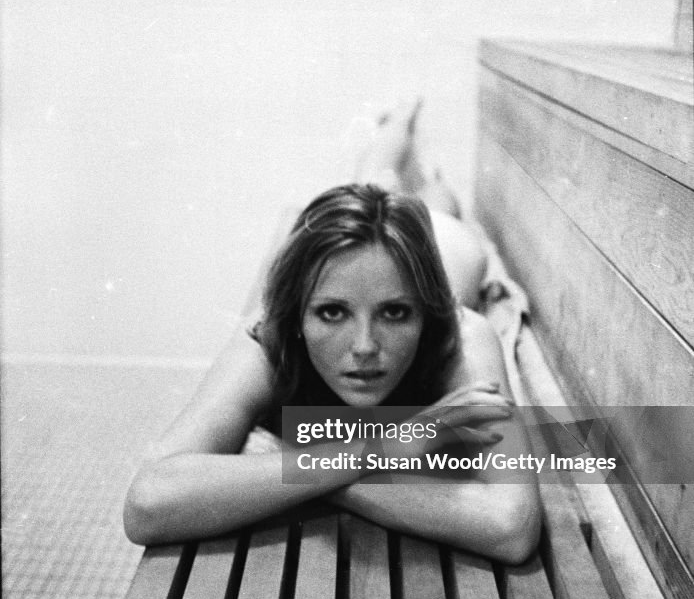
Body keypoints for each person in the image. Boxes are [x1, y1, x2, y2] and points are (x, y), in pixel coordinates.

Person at [124, 167, 541, 565]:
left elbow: (512, 527)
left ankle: (429, 177)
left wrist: (295, 461)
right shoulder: (268, 338)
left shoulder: (462, 336)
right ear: (298, 317)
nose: (364, 347)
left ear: (426, 314)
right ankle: (393, 136)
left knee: (438, 203)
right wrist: (381, 449)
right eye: (332, 313)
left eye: (395, 312)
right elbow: (147, 503)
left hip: (450, 248)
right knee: (378, 174)